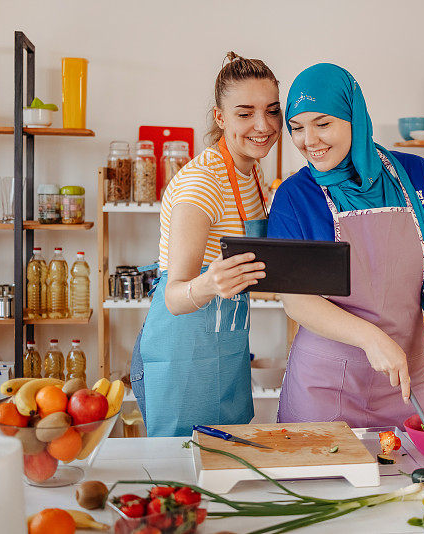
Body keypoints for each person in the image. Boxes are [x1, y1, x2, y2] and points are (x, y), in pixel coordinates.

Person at [268, 63, 424, 429]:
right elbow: (297, 300)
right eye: (296, 127)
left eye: (323, 123)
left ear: (354, 116)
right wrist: (371, 338)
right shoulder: (295, 197)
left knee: (418, 482)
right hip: (325, 385)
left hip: (410, 375)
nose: (309, 140)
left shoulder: (416, 175)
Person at [130, 52, 282, 437]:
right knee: (182, 476)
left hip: (226, 351)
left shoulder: (253, 174)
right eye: (244, 113)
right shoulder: (202, 183)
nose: (262, 125)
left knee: (224, 470)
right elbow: (175, 297)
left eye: (272, 111)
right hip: (182, 356)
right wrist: (212, 282)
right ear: (220, 118)